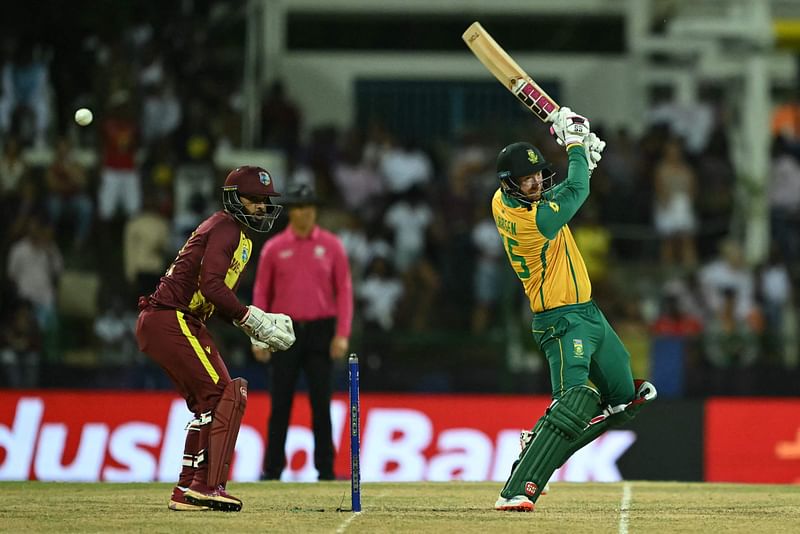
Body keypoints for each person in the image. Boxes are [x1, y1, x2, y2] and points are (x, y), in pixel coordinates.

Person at [490, 108, 657, 512]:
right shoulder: (532, 222)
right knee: (576, 397)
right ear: (508, 185)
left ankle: (541, 438)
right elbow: (576, 192)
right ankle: (517, 488)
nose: (533, 184)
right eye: (525, 179)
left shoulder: (505, 200)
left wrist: (582, 160)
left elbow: (561, 192)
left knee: (628, 399)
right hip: (561, 322)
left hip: (588, 313)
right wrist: (578, 148)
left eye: (537, 176)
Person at [135, 165, 297, 512]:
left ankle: (187, 490)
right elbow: (211, 286)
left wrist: (253, 325)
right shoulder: (226, 227)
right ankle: (207, 486)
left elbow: (215, 297)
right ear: (233, 198)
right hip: (171, 316)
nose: (261, 207)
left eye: (265, 200)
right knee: (227, 393)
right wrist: (249, 316)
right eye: (254, 199)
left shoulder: (238, 236)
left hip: (176, 319)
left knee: (210, 403)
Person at [251, 183, 353, 481]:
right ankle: (272, 470)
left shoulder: (332, 246)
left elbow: (344, 291)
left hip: (321, 330)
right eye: (298, 209)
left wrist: (342, 333)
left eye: (308, 209)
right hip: (284, 332)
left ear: (315, 212)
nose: (304, 214)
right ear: (290, 213)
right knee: (279, 402)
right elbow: (261, 293)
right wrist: (258, 335)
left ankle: (325, 469)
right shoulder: (274, 248)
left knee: (321, 403)